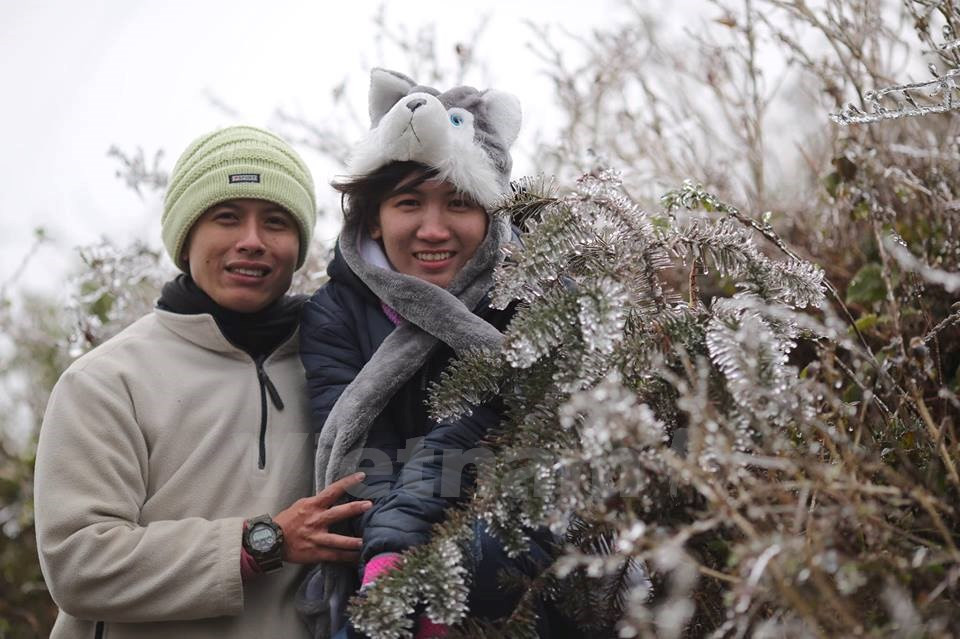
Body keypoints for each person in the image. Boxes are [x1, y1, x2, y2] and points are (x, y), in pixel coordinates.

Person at [34, 125, 372, 639]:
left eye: (276, 222)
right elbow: (79, 564)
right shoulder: (106, 381)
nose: (252, 241)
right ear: (185, 237)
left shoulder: (337, 370)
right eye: (226, 217)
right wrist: (267, 541)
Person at [297, 69, 568, 638]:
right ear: (375, 215)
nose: (433, 228)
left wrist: (407, 551)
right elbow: (361, 462)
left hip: (518, 554)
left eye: (460, 203)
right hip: (375, 554)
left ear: (491, 215)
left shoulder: (528, 291)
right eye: (409, 202)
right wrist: (392, 559)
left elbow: (491, 430)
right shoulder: (336, 312)